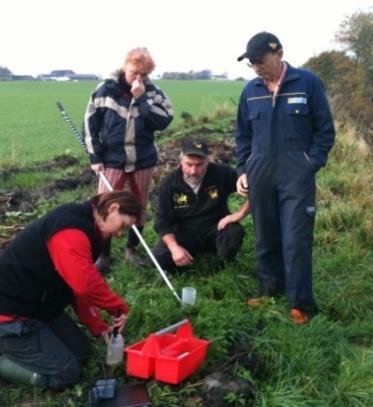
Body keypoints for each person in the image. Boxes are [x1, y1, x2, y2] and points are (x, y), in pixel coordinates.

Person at [235, 32, 335, 324]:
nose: (256, 67)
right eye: (251, 63)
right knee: (265, 236)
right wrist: (243, 169)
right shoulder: (250, 91)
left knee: (296, 239)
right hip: (260, 173)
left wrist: (309, 163)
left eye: (260, 61)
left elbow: (325, 130)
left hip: (296, 175)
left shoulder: (307, 83)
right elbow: (242, 135)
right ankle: (270, 290)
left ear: (278, 54)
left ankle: (301, 304)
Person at [0, 191, 140, 389]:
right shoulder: (70, 229)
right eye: (123, 226)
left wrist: (98, 327)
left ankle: (32, 344)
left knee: (82, 352)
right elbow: (84, 283)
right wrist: (117, 307)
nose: (119, 234)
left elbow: (76, 288)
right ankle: (4, 362)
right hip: (11, 316)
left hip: (41, 307)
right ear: (113, 208)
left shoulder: (91, 230)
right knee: (67, 374)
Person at [83, 47, 174, 271]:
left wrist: (141, 99)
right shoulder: (105, 90)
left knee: (139, 205)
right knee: (105, 205)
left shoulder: (153, 92)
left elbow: (163, 121)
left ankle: (131, 250)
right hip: (112, 159)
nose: (138, 78)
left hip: (143, 159)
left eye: (143, 74)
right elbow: (90, 124)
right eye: (134, 73)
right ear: (125, 66)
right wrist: (95, 156)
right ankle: (103, 253)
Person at [152, 138, 250, 271]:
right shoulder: (169, 184)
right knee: (159, 256)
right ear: (181, 161)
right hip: (185, 232)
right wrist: (174, 248)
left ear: (207, 161)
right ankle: (186, 265)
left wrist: (239, 214)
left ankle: (220, 266)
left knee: (234, 232)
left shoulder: (222, 174)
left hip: (215, 228)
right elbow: (162, 220)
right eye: (189, 164)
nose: (193, 171)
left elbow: (255, 189)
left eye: (199, 165)